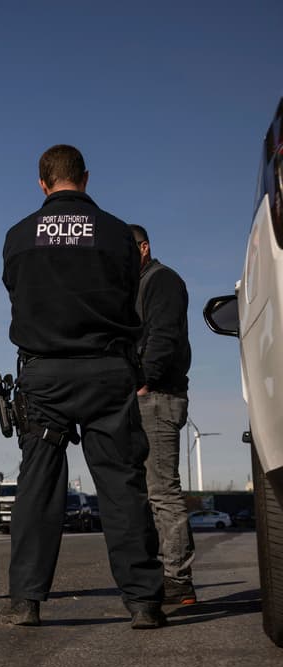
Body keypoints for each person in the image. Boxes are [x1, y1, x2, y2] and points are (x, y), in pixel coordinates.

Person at [0, 145, 166, 628]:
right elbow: (128, 298)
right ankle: (143, 601)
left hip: (45, 373)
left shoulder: (18, 236)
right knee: (120, 483)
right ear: (86, 178)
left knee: (38, 486)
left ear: (42, 183)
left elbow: (17, 292)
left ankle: (27, 599)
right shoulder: (117, 233)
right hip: (105, 369)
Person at [131, 223, 197, 606]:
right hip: (148, 395)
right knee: (146, 492)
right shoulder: (138, 284)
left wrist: (144, 380)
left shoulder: (162, 280)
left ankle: (177, 579)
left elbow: (164, 336)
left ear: (143, 248)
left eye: (127, 250)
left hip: (157, 396)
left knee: (162, 491)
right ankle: (164, 575)